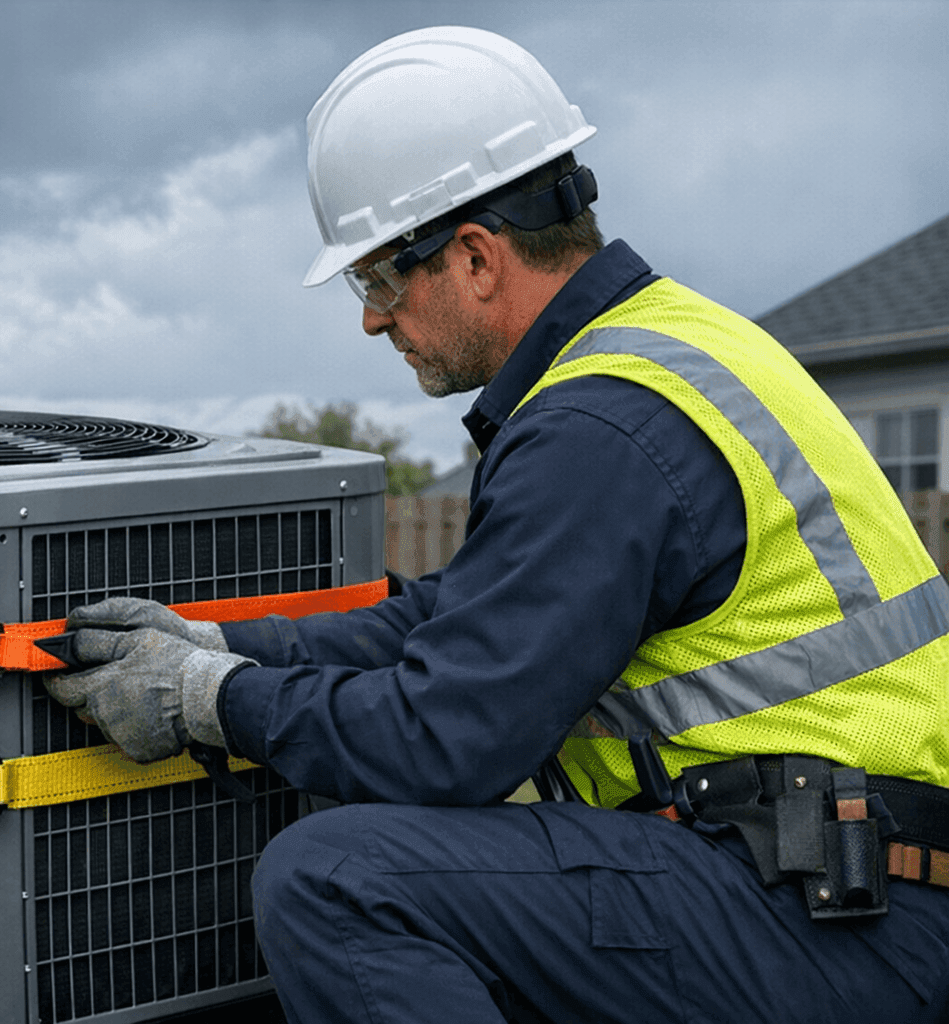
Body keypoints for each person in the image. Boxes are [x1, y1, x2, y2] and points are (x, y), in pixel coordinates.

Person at [48, 26, 949, 1023]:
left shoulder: (600, 429)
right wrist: (219, 646)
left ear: (476, 256)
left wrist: (215, 702)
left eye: (380, 279)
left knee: (337, 875)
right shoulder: (672, 350)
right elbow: (457, 623)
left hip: (837, 920)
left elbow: (448, 738)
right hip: (841, 883)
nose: (372, 319)